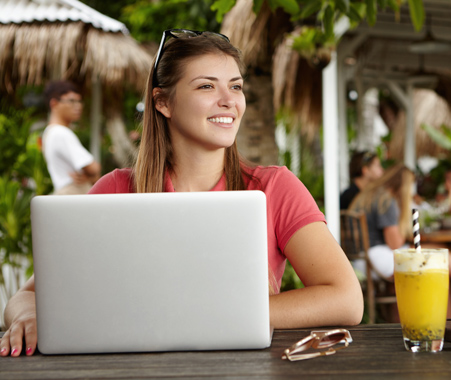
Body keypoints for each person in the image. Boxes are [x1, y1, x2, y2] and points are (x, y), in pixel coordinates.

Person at [1, 29, 363, 357]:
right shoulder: (116, 190)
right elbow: (28, 295)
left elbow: (346, 299)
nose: (228, 100)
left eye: (235, 86)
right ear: (163, 102)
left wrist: (210, 314)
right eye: (207, 86)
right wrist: (27, 316)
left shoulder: (273, 187)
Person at [349, 165, 451, 317]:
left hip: (361, 258)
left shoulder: (372, 194)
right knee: (440, 258)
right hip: (377, 257)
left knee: (439, 257)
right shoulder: (386, 200)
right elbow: (395, 243)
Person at [41, 80, 101, 194]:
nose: (78, 106)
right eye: (71, 101)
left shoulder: (49, 132)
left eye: (79, 101)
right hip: (73, 192)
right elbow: (94, 168)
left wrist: (91, 177)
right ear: (54, 104)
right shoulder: (60, 132)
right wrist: (93, 175)